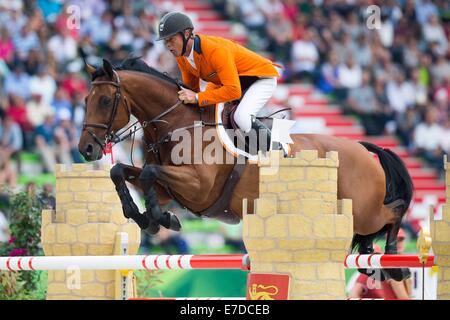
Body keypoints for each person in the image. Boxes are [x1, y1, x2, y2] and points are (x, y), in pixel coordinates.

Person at [157, 11, 282, 152]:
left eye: (171, 39)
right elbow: (191, 90)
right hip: (233, 82)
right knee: (207, 111)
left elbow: (233, 91)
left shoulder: (215, 50)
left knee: (241, 117)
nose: (167, 45)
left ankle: (279, 153)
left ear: (186, 34)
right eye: (165, 41)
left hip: (259, 78)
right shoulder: (181, 56)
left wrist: (197, 97)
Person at [348, 229, 412, 299]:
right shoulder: (390, 267)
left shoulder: (385, 268)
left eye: (400, 240)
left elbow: (352, 295)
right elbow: (403, 297)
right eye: (395, 240)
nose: (398, 243)